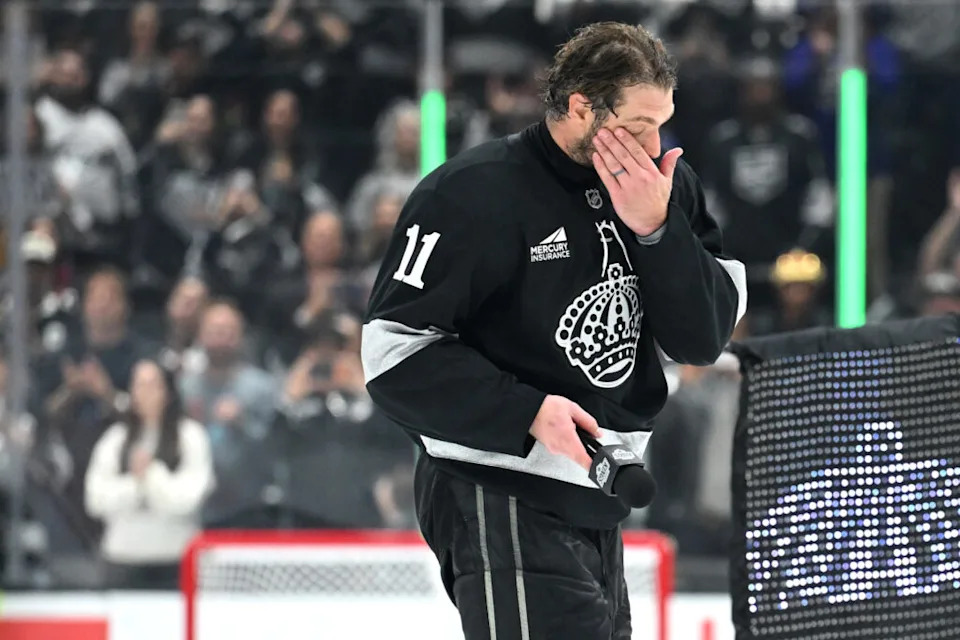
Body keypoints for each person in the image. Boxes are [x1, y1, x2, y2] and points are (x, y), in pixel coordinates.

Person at [362, 22, 746, 640]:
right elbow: (393, 357)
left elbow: (702, 339)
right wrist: (527, 412)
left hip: (601, 490)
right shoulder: (470, 192)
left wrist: (657, 231)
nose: (655, 145)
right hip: (495, 484)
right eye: (638, 124)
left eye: (662, 123)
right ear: (581, 108)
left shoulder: (665, 187)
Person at [84, 359, 213, 588]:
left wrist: (152, 474)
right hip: (122, 559)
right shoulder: (115, 439)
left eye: (153, 385)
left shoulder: (191, 436)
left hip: (175, 558)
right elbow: (95, 500)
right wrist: (135, 484)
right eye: (139, 385)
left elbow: (189, 499)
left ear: (168, 391)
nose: (145, 393)